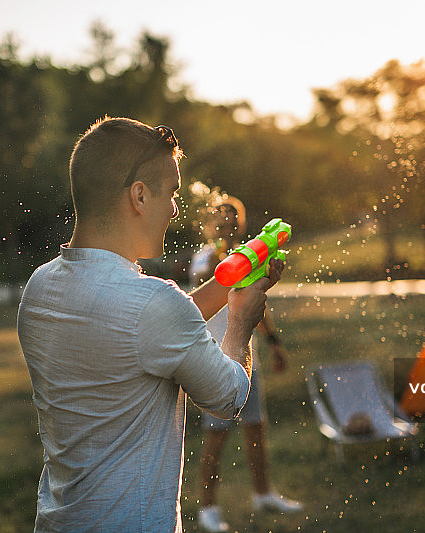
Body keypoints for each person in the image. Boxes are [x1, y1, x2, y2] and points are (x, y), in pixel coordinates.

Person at [17, 117, 283, 532]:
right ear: (139, 196)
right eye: (171, 193)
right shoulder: (152, 304)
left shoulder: (40, 286)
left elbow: (151, 331)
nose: (175, 208)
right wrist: (241, 320)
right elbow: (228, 397)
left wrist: (234, 274)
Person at [188, 194, 302, 532]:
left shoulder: (248, 255)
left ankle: (263, 494)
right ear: (211, 224)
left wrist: (274, 342)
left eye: (233, 217)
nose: (227, 223)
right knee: (216, 437)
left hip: (247, 357)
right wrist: (225, 260)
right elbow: (203, 288)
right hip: (214, 357)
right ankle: (207, 508)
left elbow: (255, 303)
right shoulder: (205, 257)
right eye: (221, 218)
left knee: (256, 429)